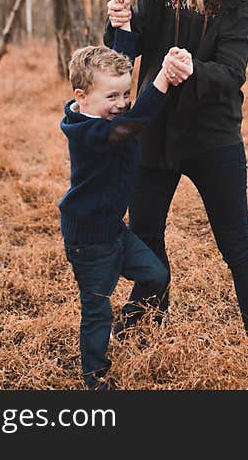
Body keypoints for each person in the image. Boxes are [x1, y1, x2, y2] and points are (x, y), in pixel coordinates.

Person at [104, 0, 248, 339]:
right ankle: (149, 321)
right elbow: (127, 52)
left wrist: (193, 69)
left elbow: (231, 74)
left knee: (236, 246)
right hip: (153, 130)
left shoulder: (238, 3)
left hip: (211, 138)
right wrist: (120, 24)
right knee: (144, 235)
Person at [58, 29, 184, 390]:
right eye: (111, 97)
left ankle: (126, 325)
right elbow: (135, 124)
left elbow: (117, 66)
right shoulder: (91, 134)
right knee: (96, 308)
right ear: (80, 98)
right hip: (89, 240)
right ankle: (94, 378)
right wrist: (161, 79)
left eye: (126, 94)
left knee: (156, 276)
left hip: (115, 231)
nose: (121, 102)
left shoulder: (102, 113)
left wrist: (124, 28)